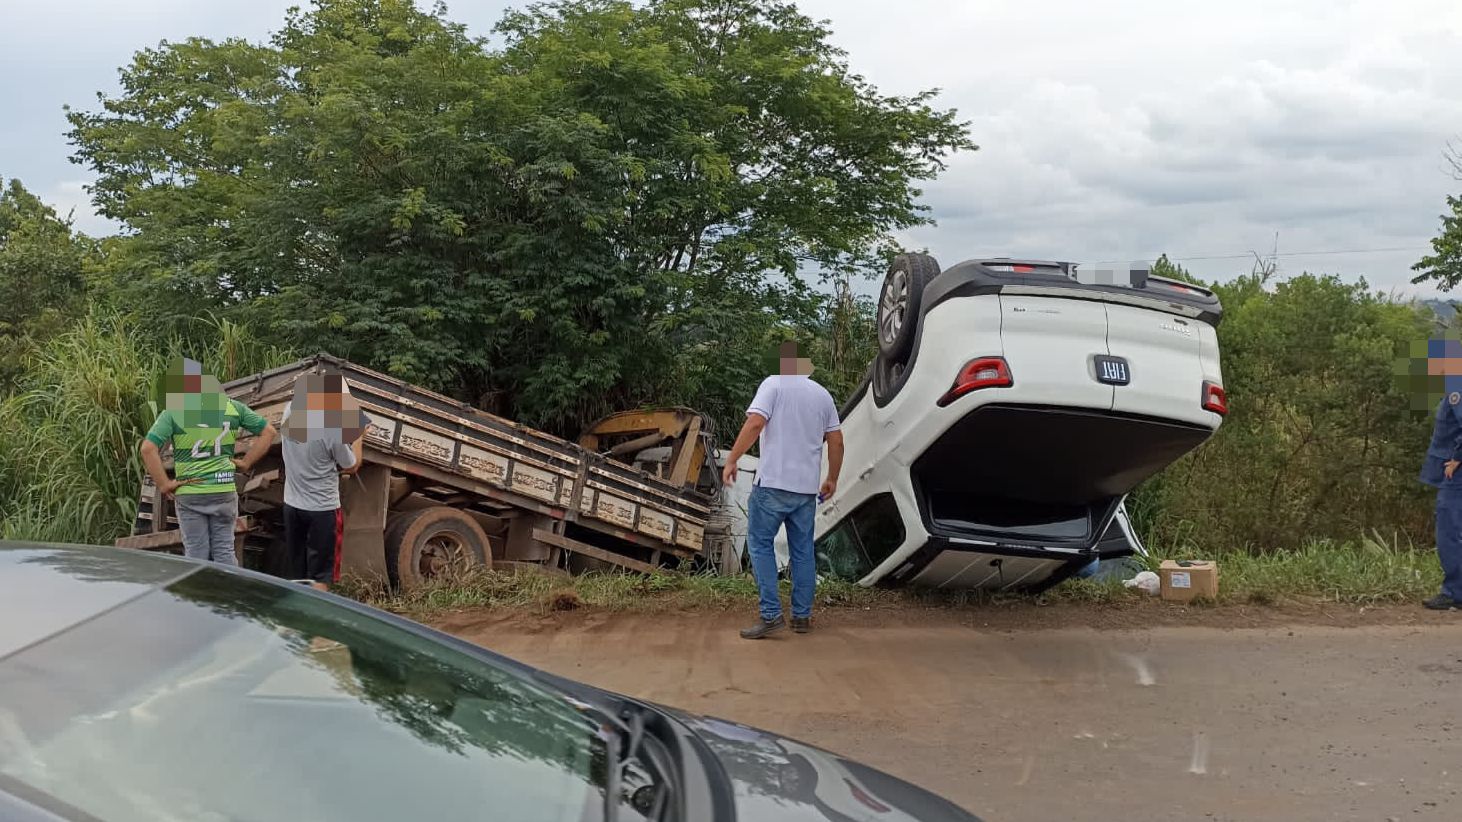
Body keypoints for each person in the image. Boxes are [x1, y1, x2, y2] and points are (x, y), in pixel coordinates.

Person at [722, 341, 844, 638]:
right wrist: (832, 478)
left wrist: (733, 459)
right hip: (805, 491)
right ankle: (801, 617)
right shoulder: (822, 395)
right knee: (802, 552)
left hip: (773, 486)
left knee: (760, 544)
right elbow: (837, 441)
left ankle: (771, 615)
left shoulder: (773, 384)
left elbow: (755, 424)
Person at [139, 357, 277, 565]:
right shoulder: (233, 408)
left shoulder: (174, 412)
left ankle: (198, 587)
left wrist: (164, 484)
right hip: (223, 489)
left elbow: (147, 448)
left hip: (190, 492)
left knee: (196, 553)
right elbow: (269, 432)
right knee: (224, 550)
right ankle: (227, 586)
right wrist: (246, 462)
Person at [280, 372, 368, 591]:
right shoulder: (331, 430)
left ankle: (299, 608)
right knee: (321, 575)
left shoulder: (290, 411)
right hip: (322, 510)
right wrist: (359, 436)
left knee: (298, 572)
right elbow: (351, 465)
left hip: (292, 505)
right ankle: (317, 609)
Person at [1420, 338, 1462, 610]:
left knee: (1449, 530)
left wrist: (1456, 459)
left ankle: (1454, 592)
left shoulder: (1457, 387)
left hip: (1456, 474)